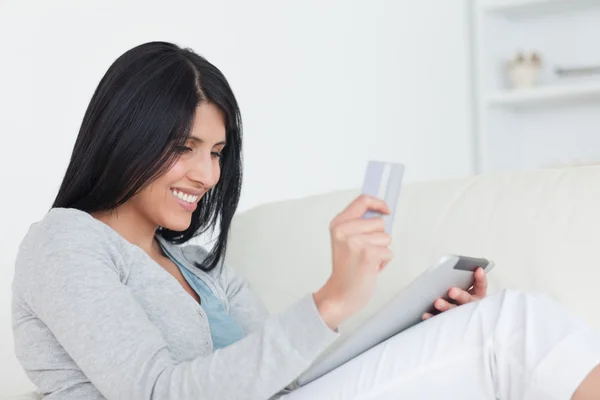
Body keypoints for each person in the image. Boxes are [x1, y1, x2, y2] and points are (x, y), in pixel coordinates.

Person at [11, 41, 600, 400]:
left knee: (497, 340)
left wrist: (422, 333)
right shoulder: (66, 243)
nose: (207, 175)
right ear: (125, 136)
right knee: (514, 328)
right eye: (184, 146)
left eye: (216, 153)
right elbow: (158, 391)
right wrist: (330, 302)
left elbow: (284, 378)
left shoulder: (201, 269)